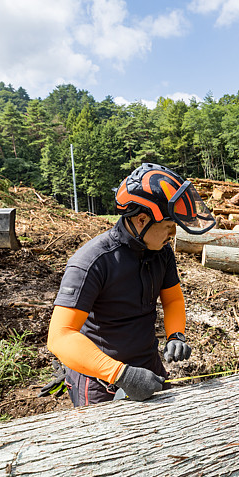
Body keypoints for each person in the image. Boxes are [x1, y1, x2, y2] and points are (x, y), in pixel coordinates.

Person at [46, 163, 216, 406]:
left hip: (149, 369)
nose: (172, 235)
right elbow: (60, 337)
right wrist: (121, 374)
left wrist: (176, 335)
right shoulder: (92, 261)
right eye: (168, 227)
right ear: (141, 219)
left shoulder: (161, 252)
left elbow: (173, 300)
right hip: (100, 381)